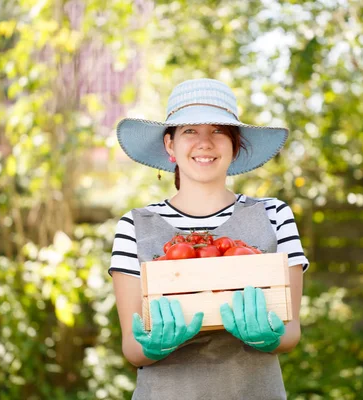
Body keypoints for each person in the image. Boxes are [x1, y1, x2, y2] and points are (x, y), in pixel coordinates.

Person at [109, 78, 309, 399]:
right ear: (170, 145)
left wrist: (267, 337)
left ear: (235, 144)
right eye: (189, 131)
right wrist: (155, 346)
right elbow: (132, 349)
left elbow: (291, 332)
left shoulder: (274, 215)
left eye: (218, 130)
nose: (205, 142)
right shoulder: (134, 226)